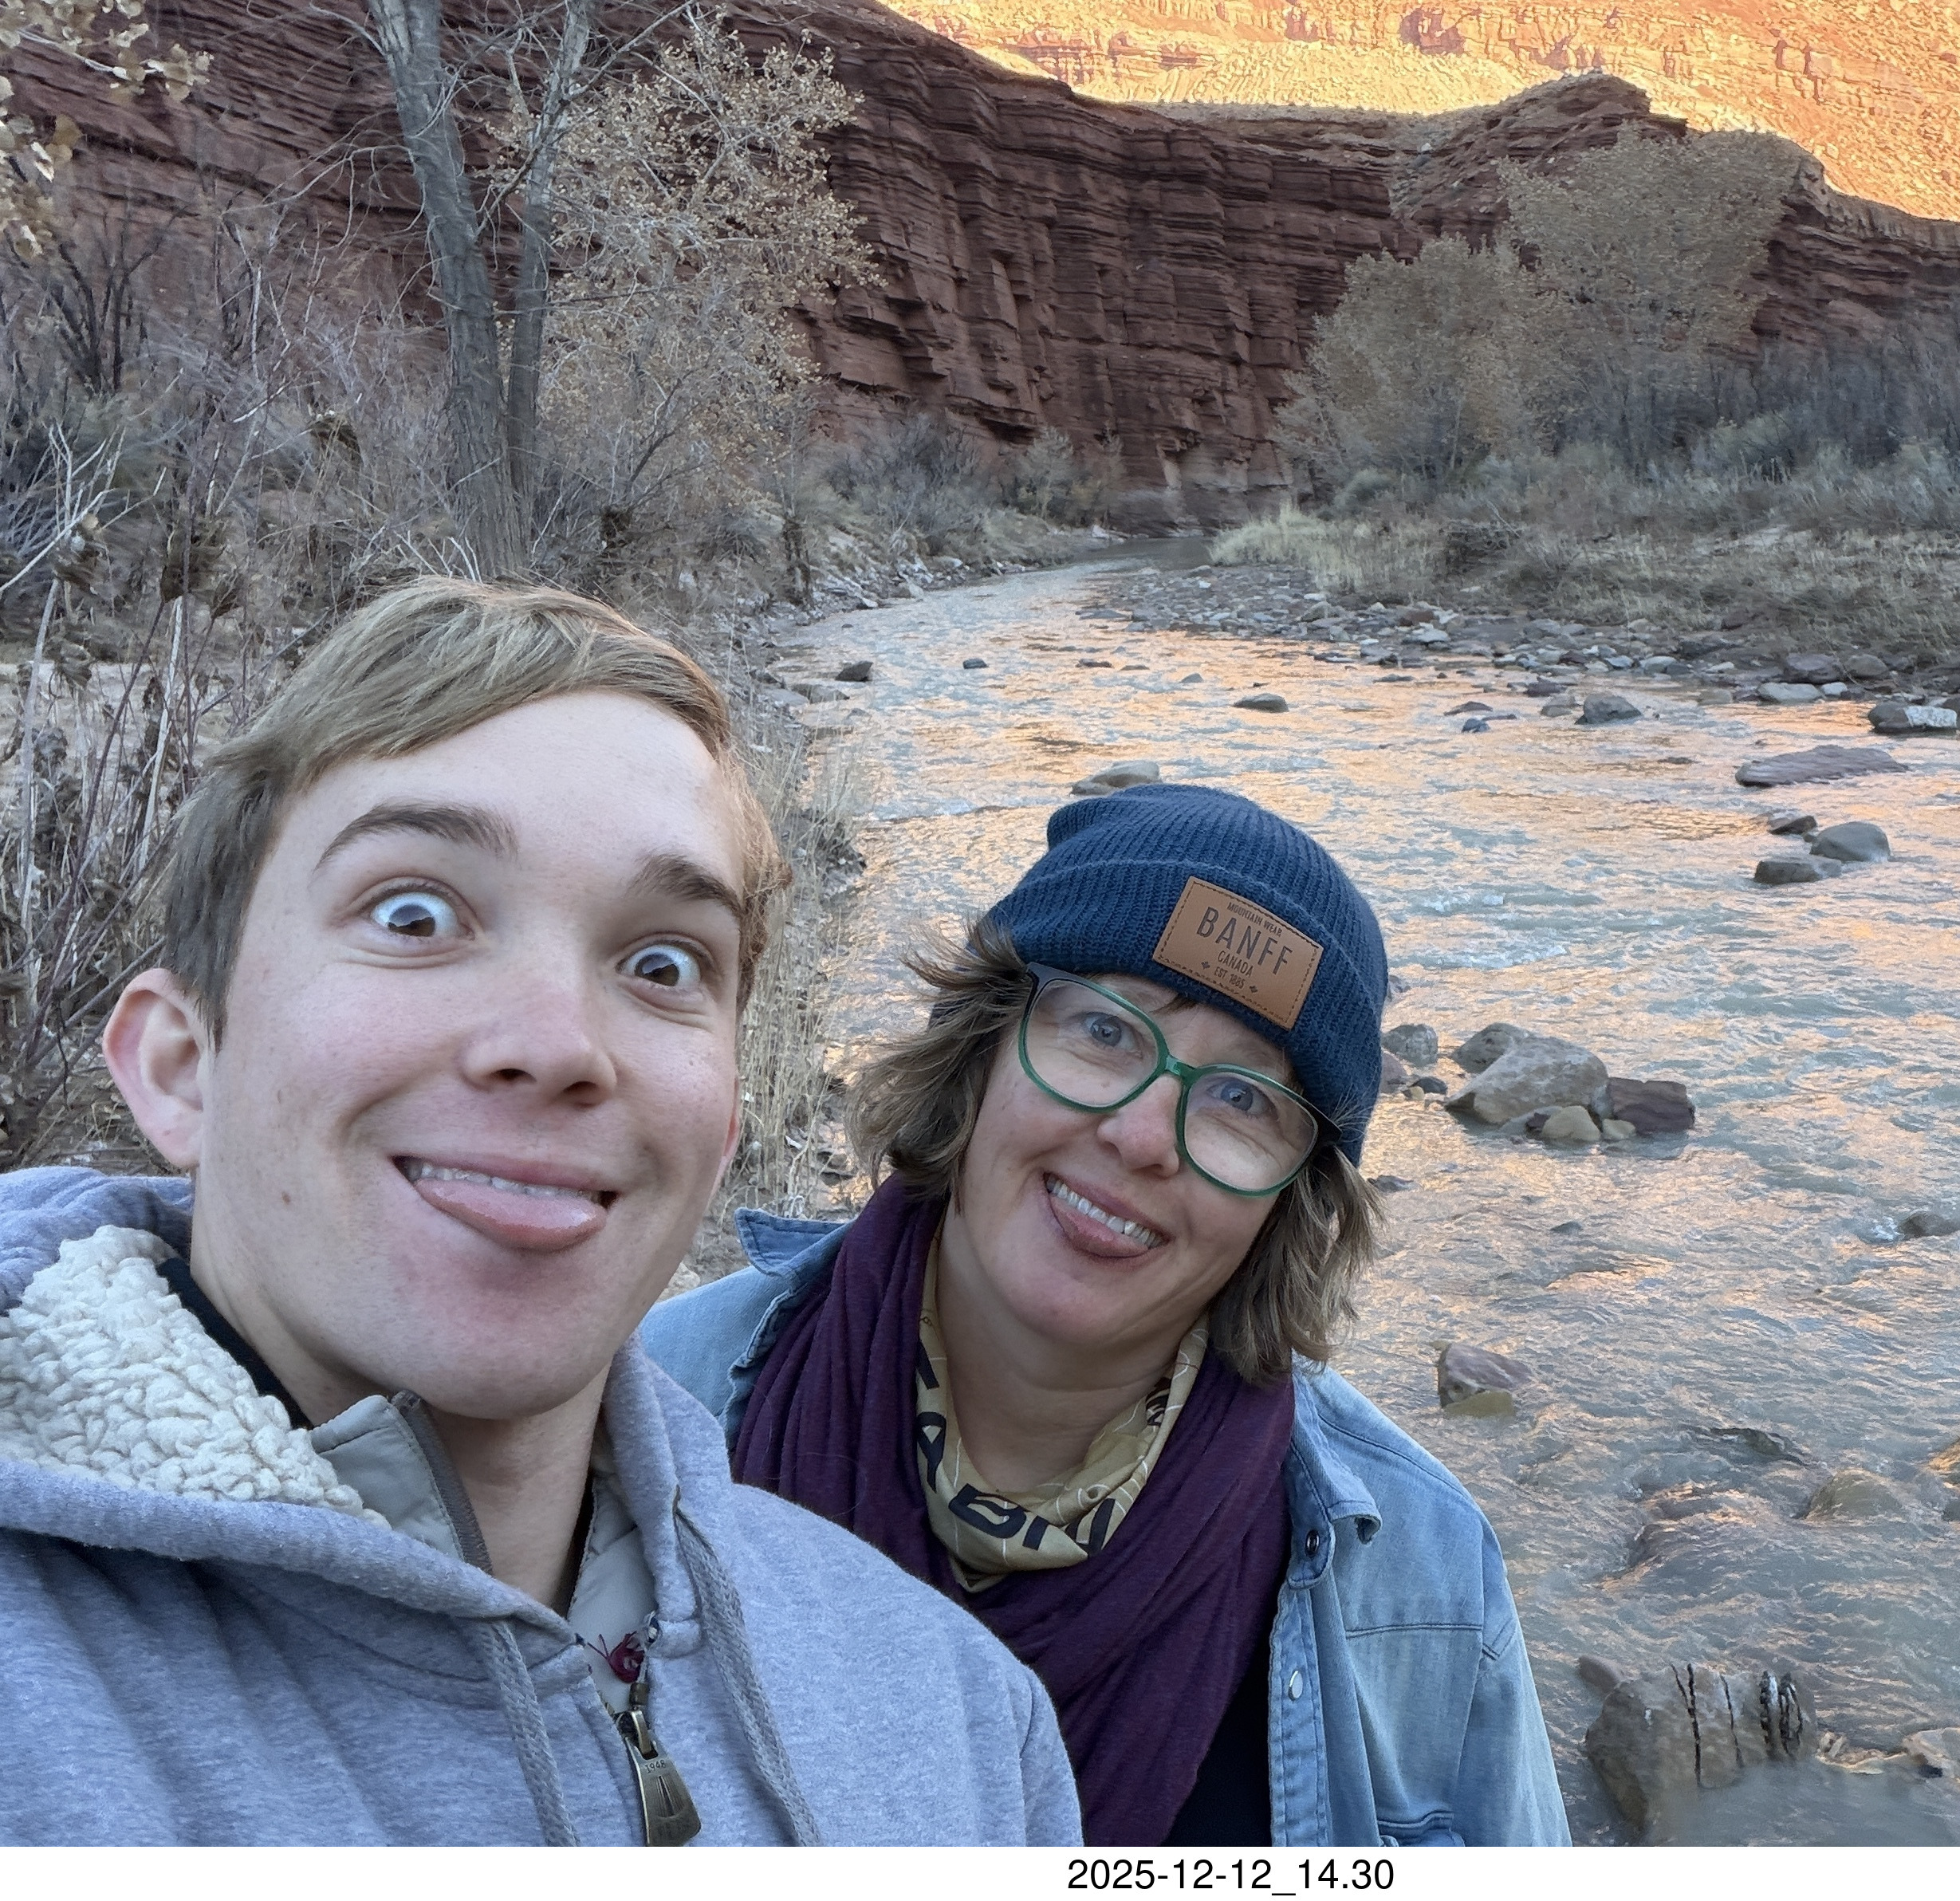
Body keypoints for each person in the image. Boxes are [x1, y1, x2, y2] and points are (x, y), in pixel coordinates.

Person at [0, 579, 1079, 1846]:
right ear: (182, 1065)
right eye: (414, 915)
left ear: (721, 1134)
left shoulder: (958, 1717)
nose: (560, 1044)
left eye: (663, 963)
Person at [642, 783, 1571, 1846]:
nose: (1142, 1137)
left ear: (1290, 1203)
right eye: (1104, 1030)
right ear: (980, 1048)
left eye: (1242, 1100)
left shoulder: (1426, 1577)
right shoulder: (648, 1410)